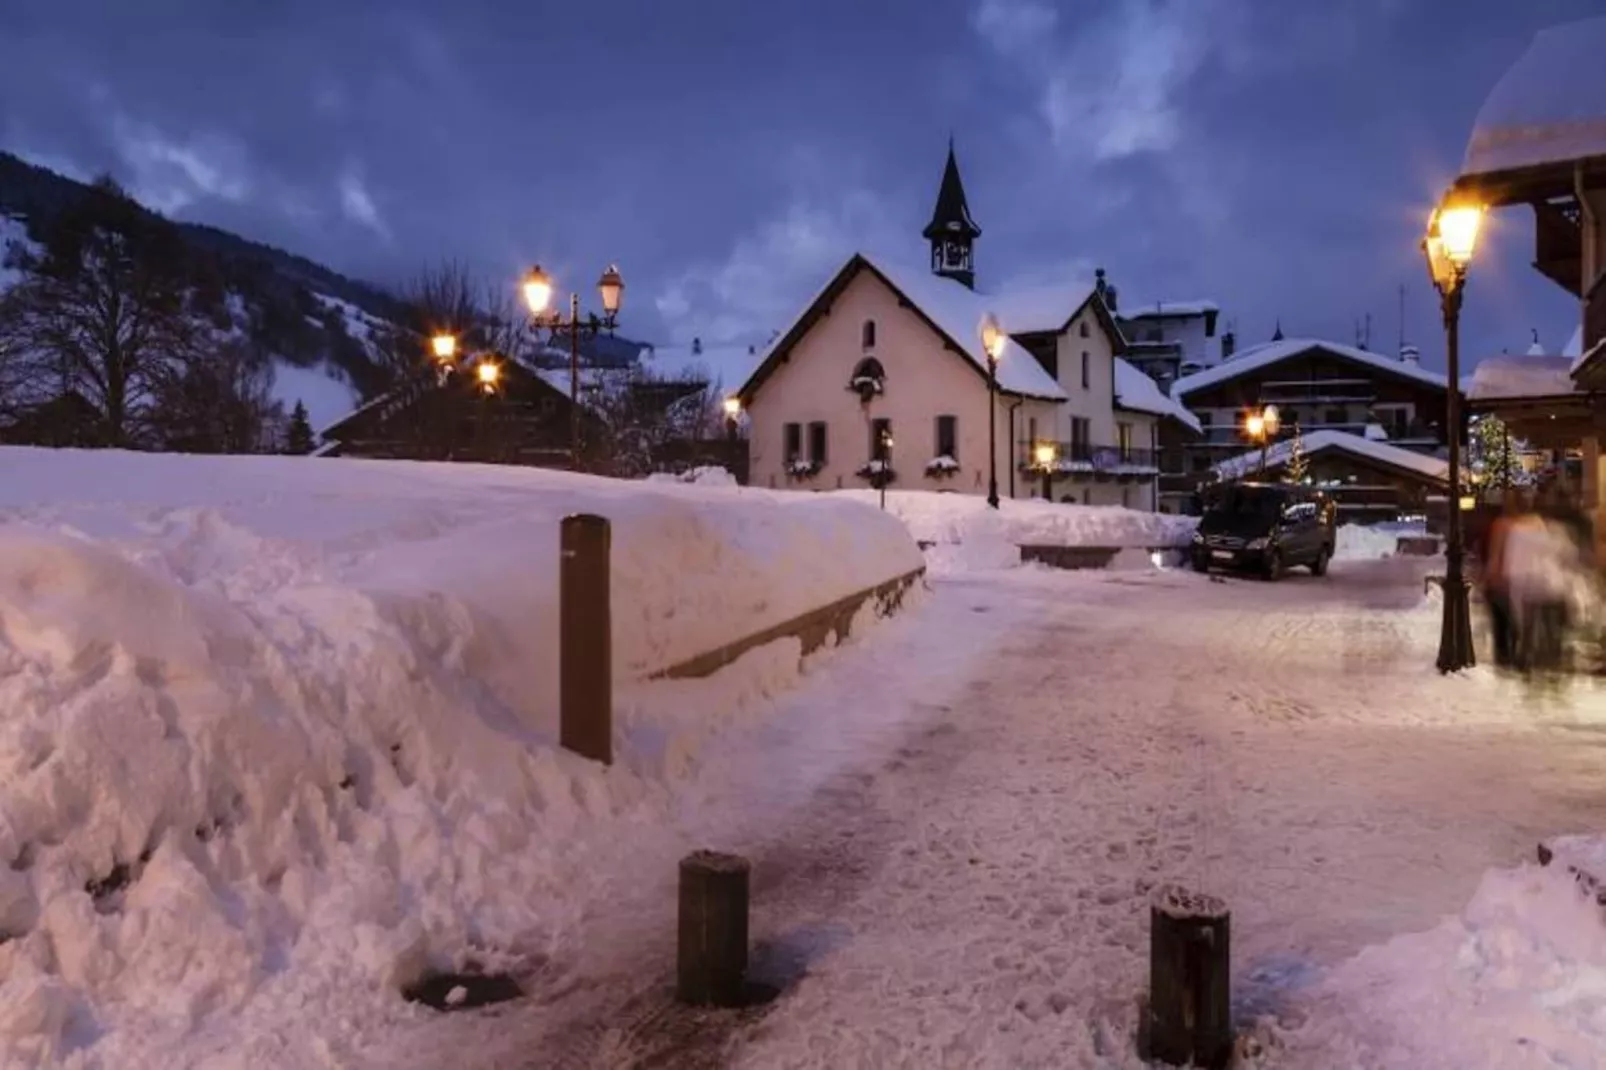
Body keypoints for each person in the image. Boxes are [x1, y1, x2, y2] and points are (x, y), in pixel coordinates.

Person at [1482, 488, 1523, 669]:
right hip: (1506, 580)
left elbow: (1493, 553)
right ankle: (1507, 656)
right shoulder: (1512, 525)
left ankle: (1504, 656)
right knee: (1507, 621)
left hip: (1505, 579)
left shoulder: (1503, 524)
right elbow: (1495, 553)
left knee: (1504, 622)